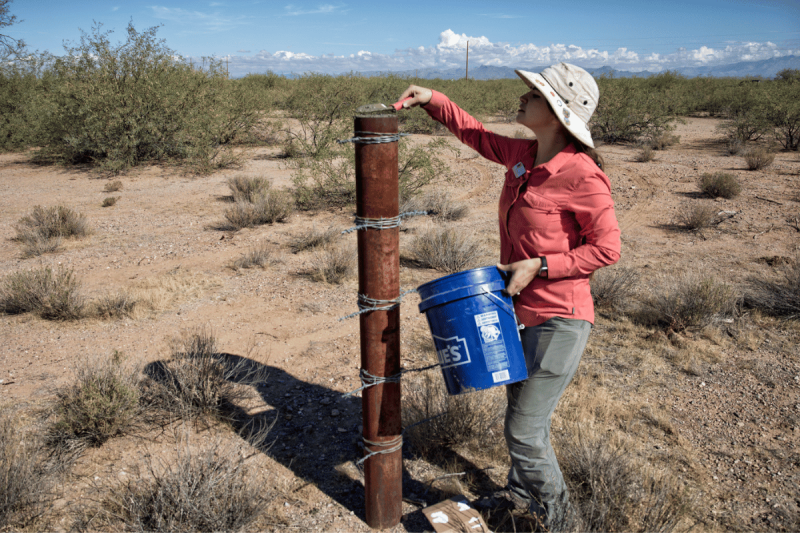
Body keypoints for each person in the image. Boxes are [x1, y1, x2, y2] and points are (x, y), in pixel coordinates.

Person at [400, 63, 621, 526]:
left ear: (558, 113)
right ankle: (522, 500)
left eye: (535, 94)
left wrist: (541, 265)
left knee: (523, 429)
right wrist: (433, 99)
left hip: (561, 318)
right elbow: (476, 134)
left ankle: (562, 521)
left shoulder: (582, 175)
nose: (524, 98)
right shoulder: (524, 154)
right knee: (520, 413)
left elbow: (606, 249)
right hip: (517, 312)